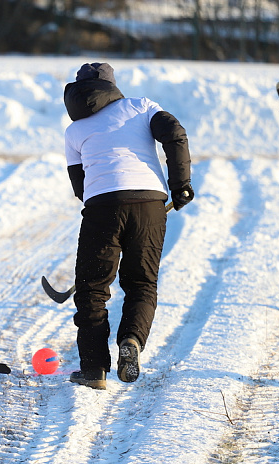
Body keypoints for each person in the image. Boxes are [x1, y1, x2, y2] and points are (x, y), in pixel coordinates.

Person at [62, 62, 193, 390]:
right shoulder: (142, 107)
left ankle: (94, 369)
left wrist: (105, 211)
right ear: (111, 85)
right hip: (150, 204)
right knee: (141, 284)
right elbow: (175, 135)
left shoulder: (73, 131)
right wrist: (181, 185)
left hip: (101, 207)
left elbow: (80, 186)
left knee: (92, 288)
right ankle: (132, 341)